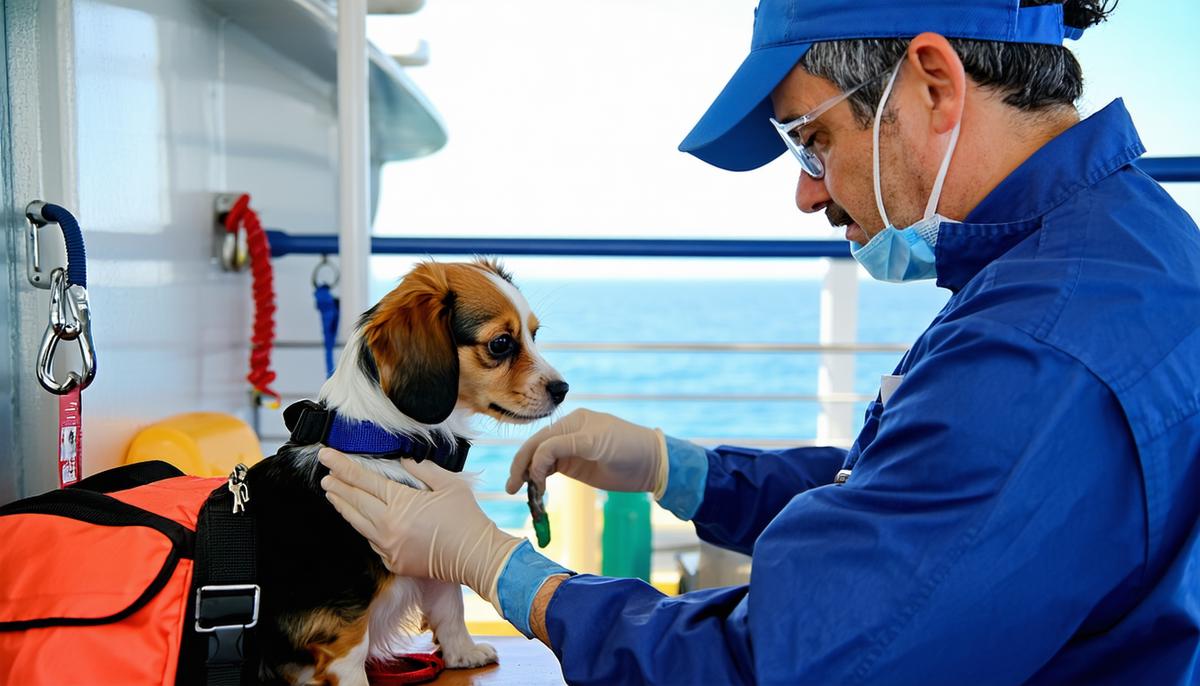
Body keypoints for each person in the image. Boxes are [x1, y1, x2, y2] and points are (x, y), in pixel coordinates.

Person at [318, 0, 1200, 682]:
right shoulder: (1111, 252)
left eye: (813, 143)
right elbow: (915, 503)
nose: (807, 197)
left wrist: (502, 569)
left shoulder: (1042, 348)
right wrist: (680, 467)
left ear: (932, 83)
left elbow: (771, 666)